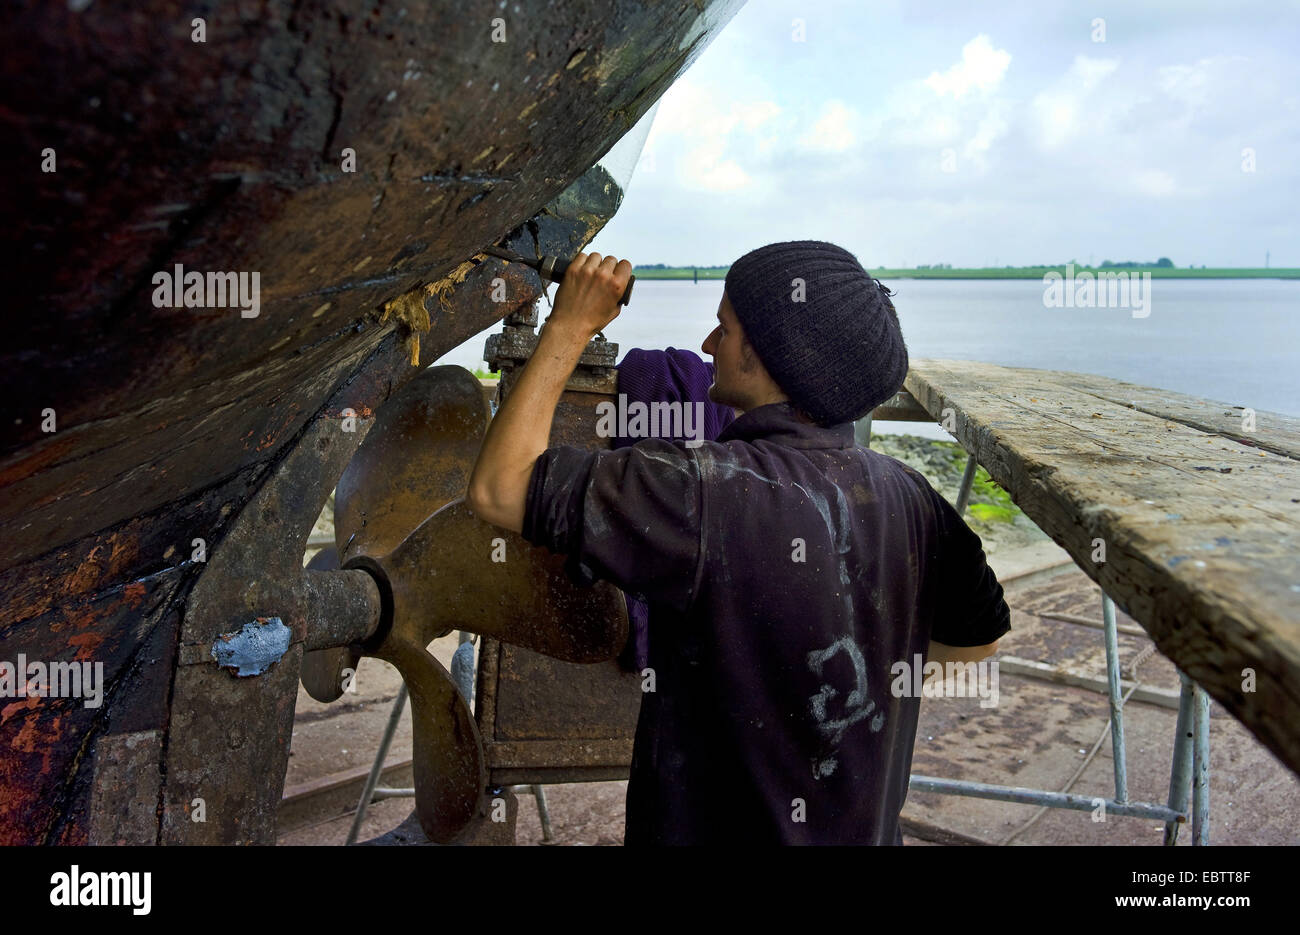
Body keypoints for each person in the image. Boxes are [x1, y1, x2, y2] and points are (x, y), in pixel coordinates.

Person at [468, 240, 1010, 844]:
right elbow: (980, 639)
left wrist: (571, 323)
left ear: (764, 355)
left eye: (723, 329)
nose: (706, 346)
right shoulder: (916, 499)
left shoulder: (699, 490)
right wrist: (852, 665)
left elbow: (500, 488)